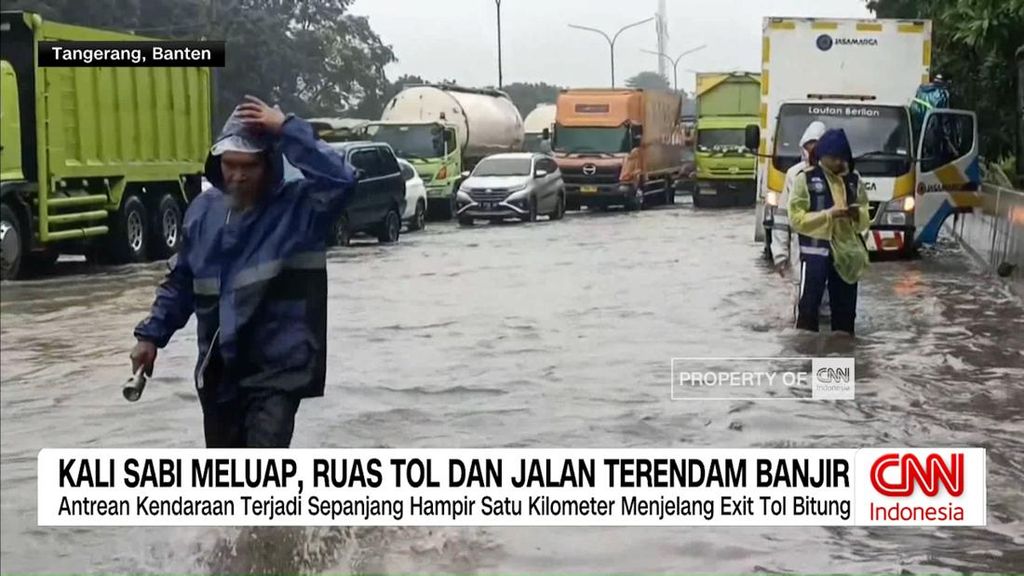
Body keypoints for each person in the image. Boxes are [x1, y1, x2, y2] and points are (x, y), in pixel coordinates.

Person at [130, 96, 357, 448]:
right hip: (219, 372)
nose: (236, 176)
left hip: (277, 373)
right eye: (229, 164)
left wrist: (286, 129)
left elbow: (342, 180)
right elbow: (181, 281)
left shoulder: (300, 209)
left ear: (268, 165)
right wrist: (150, 336)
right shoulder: (203, 212)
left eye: (247, 166)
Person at [788, 129, 870, 335]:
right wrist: (829, 215)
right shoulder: (804, 179)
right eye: (832, 158)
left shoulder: (853, 180)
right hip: (815, 255)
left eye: (840, 158)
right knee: (807, 313)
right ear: (822, 156)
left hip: (846, 257)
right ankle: (808, 363)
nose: (837, 163)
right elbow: (796, 219)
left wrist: (855, 214)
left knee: (845, 317)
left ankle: (840, 362)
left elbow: (864, 214)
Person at [780, 121, 827, 208]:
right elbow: (784, 208)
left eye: (816, 144)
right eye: (809, 145)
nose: (812, 149)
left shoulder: (834, 172)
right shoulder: (793, 173)